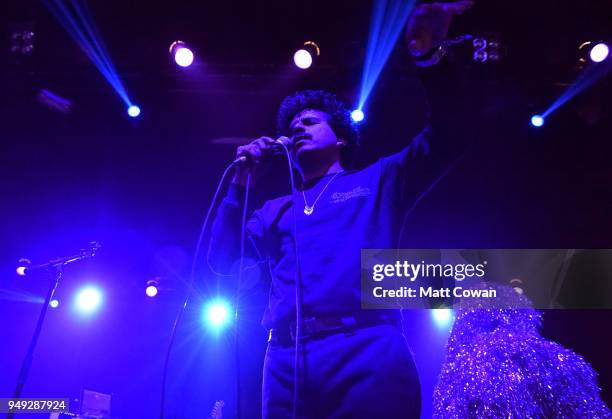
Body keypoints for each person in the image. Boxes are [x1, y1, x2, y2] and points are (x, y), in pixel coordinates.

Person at [209, 2, 474, 417]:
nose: (297, 127)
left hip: (366, 351)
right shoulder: (273, 209)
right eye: (292, 125)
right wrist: (240, 183)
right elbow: (221, 260)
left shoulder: (378, 180)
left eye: (310, 122)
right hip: (285, 360)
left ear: (341, 138)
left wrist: (429, 56)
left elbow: (450, 134)